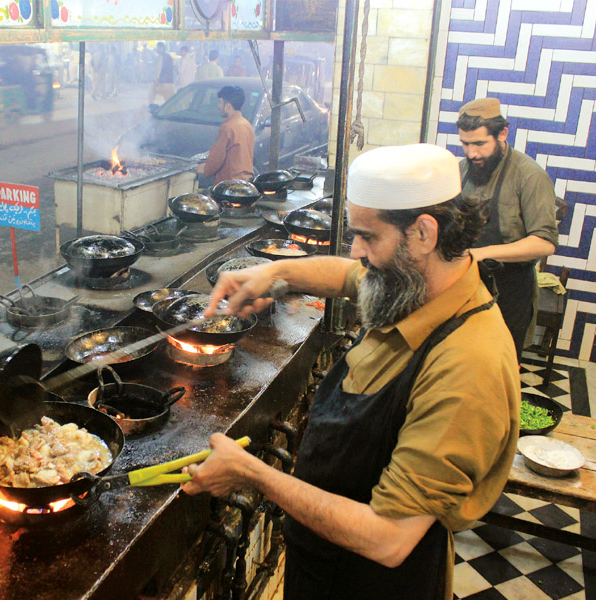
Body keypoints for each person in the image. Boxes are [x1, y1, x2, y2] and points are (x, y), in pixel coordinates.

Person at [182, 143, 520, 600]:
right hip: (325, 562)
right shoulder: (417, 282)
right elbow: (345, 275)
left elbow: (389, 537)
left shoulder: (468, 364)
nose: (357, 251)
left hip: (377, 581)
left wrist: (254, 475)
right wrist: (274, 272)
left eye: (368, 236)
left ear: (424, 232)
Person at [457, 97, 559, 361]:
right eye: (465, 144)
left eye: (480, 143)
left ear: (502, 133)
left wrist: (481, 253)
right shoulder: (461, 170)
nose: (472, 154)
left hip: (509, 289)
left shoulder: (529, 175)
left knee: (498, 366)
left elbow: (544, 242)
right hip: (463, 285)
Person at [196, 85, 254, 185]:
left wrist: (205, 169)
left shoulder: (227, 127)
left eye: (220, 102)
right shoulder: (246, 124)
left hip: (228, 184)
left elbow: (217, 157)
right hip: (245, 182)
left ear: (227, 106)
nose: (219, 106)